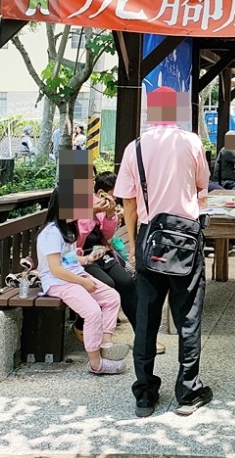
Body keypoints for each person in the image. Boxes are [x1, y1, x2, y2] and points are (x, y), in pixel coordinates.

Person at [115, 87, 212, 418]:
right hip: (185, 238)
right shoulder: (191, 142)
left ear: (149, 114)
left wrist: (132, 244)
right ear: (176, 112)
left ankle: (144, 395)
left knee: (146, 319)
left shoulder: (135, 148)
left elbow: (128, 201)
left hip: (148, 238)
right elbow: (202, 186)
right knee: (188, 317)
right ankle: (187, 392)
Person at [36, 188, 129, 374]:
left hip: (73, 276)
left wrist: (87, 259)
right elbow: (56, 269)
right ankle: (96, 364)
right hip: (58, 282)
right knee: (93, 312)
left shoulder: (67, 228)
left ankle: (105, 344)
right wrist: (83, 282)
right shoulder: (51, 233)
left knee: (111, 297)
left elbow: (67, 259)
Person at [72, 172, 157, 352]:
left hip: (100, 253)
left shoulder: (95, 199)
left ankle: (143, 338)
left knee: (126, 282)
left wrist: (110, 215)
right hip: (78, 257)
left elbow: (107, 236)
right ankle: (82, 327)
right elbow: (76, 237)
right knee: (108, 284)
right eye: (88, 178)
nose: (91, 182)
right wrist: (91, 212)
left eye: (92, 178)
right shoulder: (69, 202)